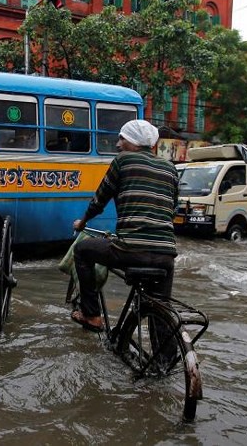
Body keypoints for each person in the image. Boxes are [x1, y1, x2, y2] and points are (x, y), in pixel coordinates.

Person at [70, 119, 178, 332]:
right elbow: (172, 208)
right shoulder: (170, 168)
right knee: (161, 306)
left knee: (82, 250)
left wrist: (82, 223)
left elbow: (99, 202)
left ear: (134, 142)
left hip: (130, 249)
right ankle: (165, 359)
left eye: (122, 138)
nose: (118, 144)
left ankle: (91, 315)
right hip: (166, 255)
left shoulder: (123, 160)